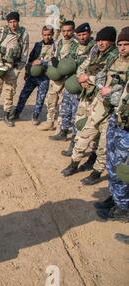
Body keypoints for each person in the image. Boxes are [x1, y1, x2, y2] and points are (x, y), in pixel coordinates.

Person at [62, 26, 121, 186]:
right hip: (91, 98)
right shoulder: (96, 51)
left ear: (111, 41)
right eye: (99, 40)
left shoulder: (114, 56)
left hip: (108, 105)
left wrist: (89, 78)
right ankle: (74, 162)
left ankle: (95, 168)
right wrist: (82, 77)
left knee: (101, 140)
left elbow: (106, 78)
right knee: (83, 128)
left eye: (105, 40)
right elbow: (85, 67)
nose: (101, 43)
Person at [96, 27, 129, 221]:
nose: (123, 48)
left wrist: (112, 93)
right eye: (121, 44)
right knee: (112, 163)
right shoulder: (114, 61)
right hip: (117, 121)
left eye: (126, 44)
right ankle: (116, 197)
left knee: (124, 169)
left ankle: (123, 209)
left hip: (127, 128)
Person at [52, 23, 95, 146]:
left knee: (77, 115)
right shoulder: (74, 46)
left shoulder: (93, 48)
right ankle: (63, 132)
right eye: (79, 35)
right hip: (70, 82)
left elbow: (91, 66)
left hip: (82, 85)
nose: (82, 37)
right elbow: (69, 60)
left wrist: (85, 77)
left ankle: (73, 142)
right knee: (65, 109)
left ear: (90, 33)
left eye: (84, 34)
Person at [0, 11, 29, 127]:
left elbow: (24, 54)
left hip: (12, 67)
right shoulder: (3, 31)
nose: (13, 24)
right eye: (10, 22)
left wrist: (18, 70)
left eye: (14, 21)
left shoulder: (23, 34)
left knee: (9, 92)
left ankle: (6, 115)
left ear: (18, 21)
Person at [10, 25, 55, 125]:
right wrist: (27, 72)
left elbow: (55, 62)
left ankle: (35, 115)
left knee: (40, 97)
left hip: (44, 76)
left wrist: (42, 62)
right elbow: (31, 59)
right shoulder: (38, 45)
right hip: (33, 75)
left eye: (49, 35)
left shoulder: (55, 47)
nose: (47, 37)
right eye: (44, 35)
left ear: (52, 34)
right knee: (23, 95)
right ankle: (16, 113)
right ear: (42, 35)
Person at [38, 20, 75, 131]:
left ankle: (61, 126)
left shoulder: (76, 44)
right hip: (56, 77)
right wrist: (52, 62)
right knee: (51, 99)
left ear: (73, 30)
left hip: (68, 78)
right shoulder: (59, 42)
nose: (66, 33)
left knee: (63, 103)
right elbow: (53, 55)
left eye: (69, 31)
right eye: (64, 31)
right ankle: (50, 122)